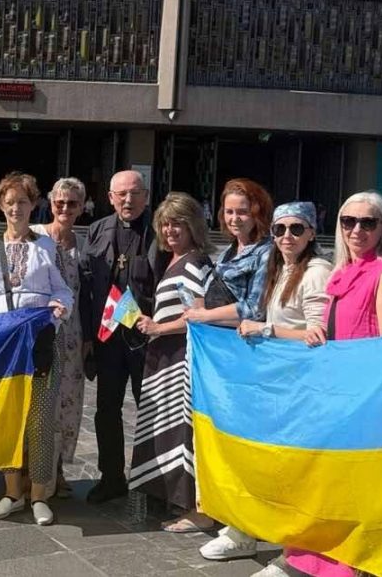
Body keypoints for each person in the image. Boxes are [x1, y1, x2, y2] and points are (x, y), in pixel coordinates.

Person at [200, 201, 331, 567]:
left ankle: (293, 553)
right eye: (279, 230)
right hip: (274, 381)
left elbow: (319, 333)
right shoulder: (279, 267)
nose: (287, 236)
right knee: (260, 459)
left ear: (310, 232)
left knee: (292, 469)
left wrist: (267, 329)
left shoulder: (316, 271)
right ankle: (246, 529)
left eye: (296, 229)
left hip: (300, 385)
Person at [295, 191, 382, 577]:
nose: (357, 230)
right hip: (332, 390)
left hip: (363, 395)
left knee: (356, 484)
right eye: (349, 222)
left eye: (368, 223)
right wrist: (314, 334)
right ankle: (322, 556)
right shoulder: (340, 273)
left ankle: (354, 563)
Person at [0, 172, 73, 526]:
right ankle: (12, 492)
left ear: (33, 205)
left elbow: (63, 290)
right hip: (2, 344)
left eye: (23, 202)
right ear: (0, 207)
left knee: (40, 420)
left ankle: (40, 494)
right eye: (9, 202)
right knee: (8, 417)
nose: (16, 209)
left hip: (41, 341)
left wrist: (58, 312)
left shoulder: (45, 246)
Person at [129, 192, 215, 533]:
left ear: (193, 225)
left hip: (180, 359)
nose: (170, 230)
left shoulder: (193, 262)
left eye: (178, 223)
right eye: (165, 224)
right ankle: (174, 499)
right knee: (167, 428)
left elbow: (199, 313)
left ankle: (196, 509)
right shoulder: (176, 259)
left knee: (182, 433)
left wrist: (158, 326)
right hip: (165, 357)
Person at [81, 169, 159, 504]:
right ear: (110, 197)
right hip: (109, 338)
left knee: (152, 410)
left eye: (135, 193)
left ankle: (156, 484)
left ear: (145, 195)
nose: (128, 200)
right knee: (106, 410)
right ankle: (111, 476)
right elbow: (87, 285)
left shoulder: (160, 230)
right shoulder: (98, 230)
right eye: (121, 194)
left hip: (146, 338)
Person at [32, 177, 86, 499]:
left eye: (72, 203)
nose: (65, 209)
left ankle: (59, 468)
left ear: (82, 206)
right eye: (59, 203)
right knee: (40, 404)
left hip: (74, 335)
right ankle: (35, 471)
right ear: (50, 204)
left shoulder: (84, 244)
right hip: (41, 332)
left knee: (69, 404)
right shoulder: (36, 237)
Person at [185, 178, 273, 328]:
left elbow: (255, 311)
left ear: (258, 213)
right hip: (214, 336)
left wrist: (204, 316)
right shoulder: (227, 252)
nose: (234, 219)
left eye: (242, 212)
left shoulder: (267, 252)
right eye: (229, 212)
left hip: (239, 343)